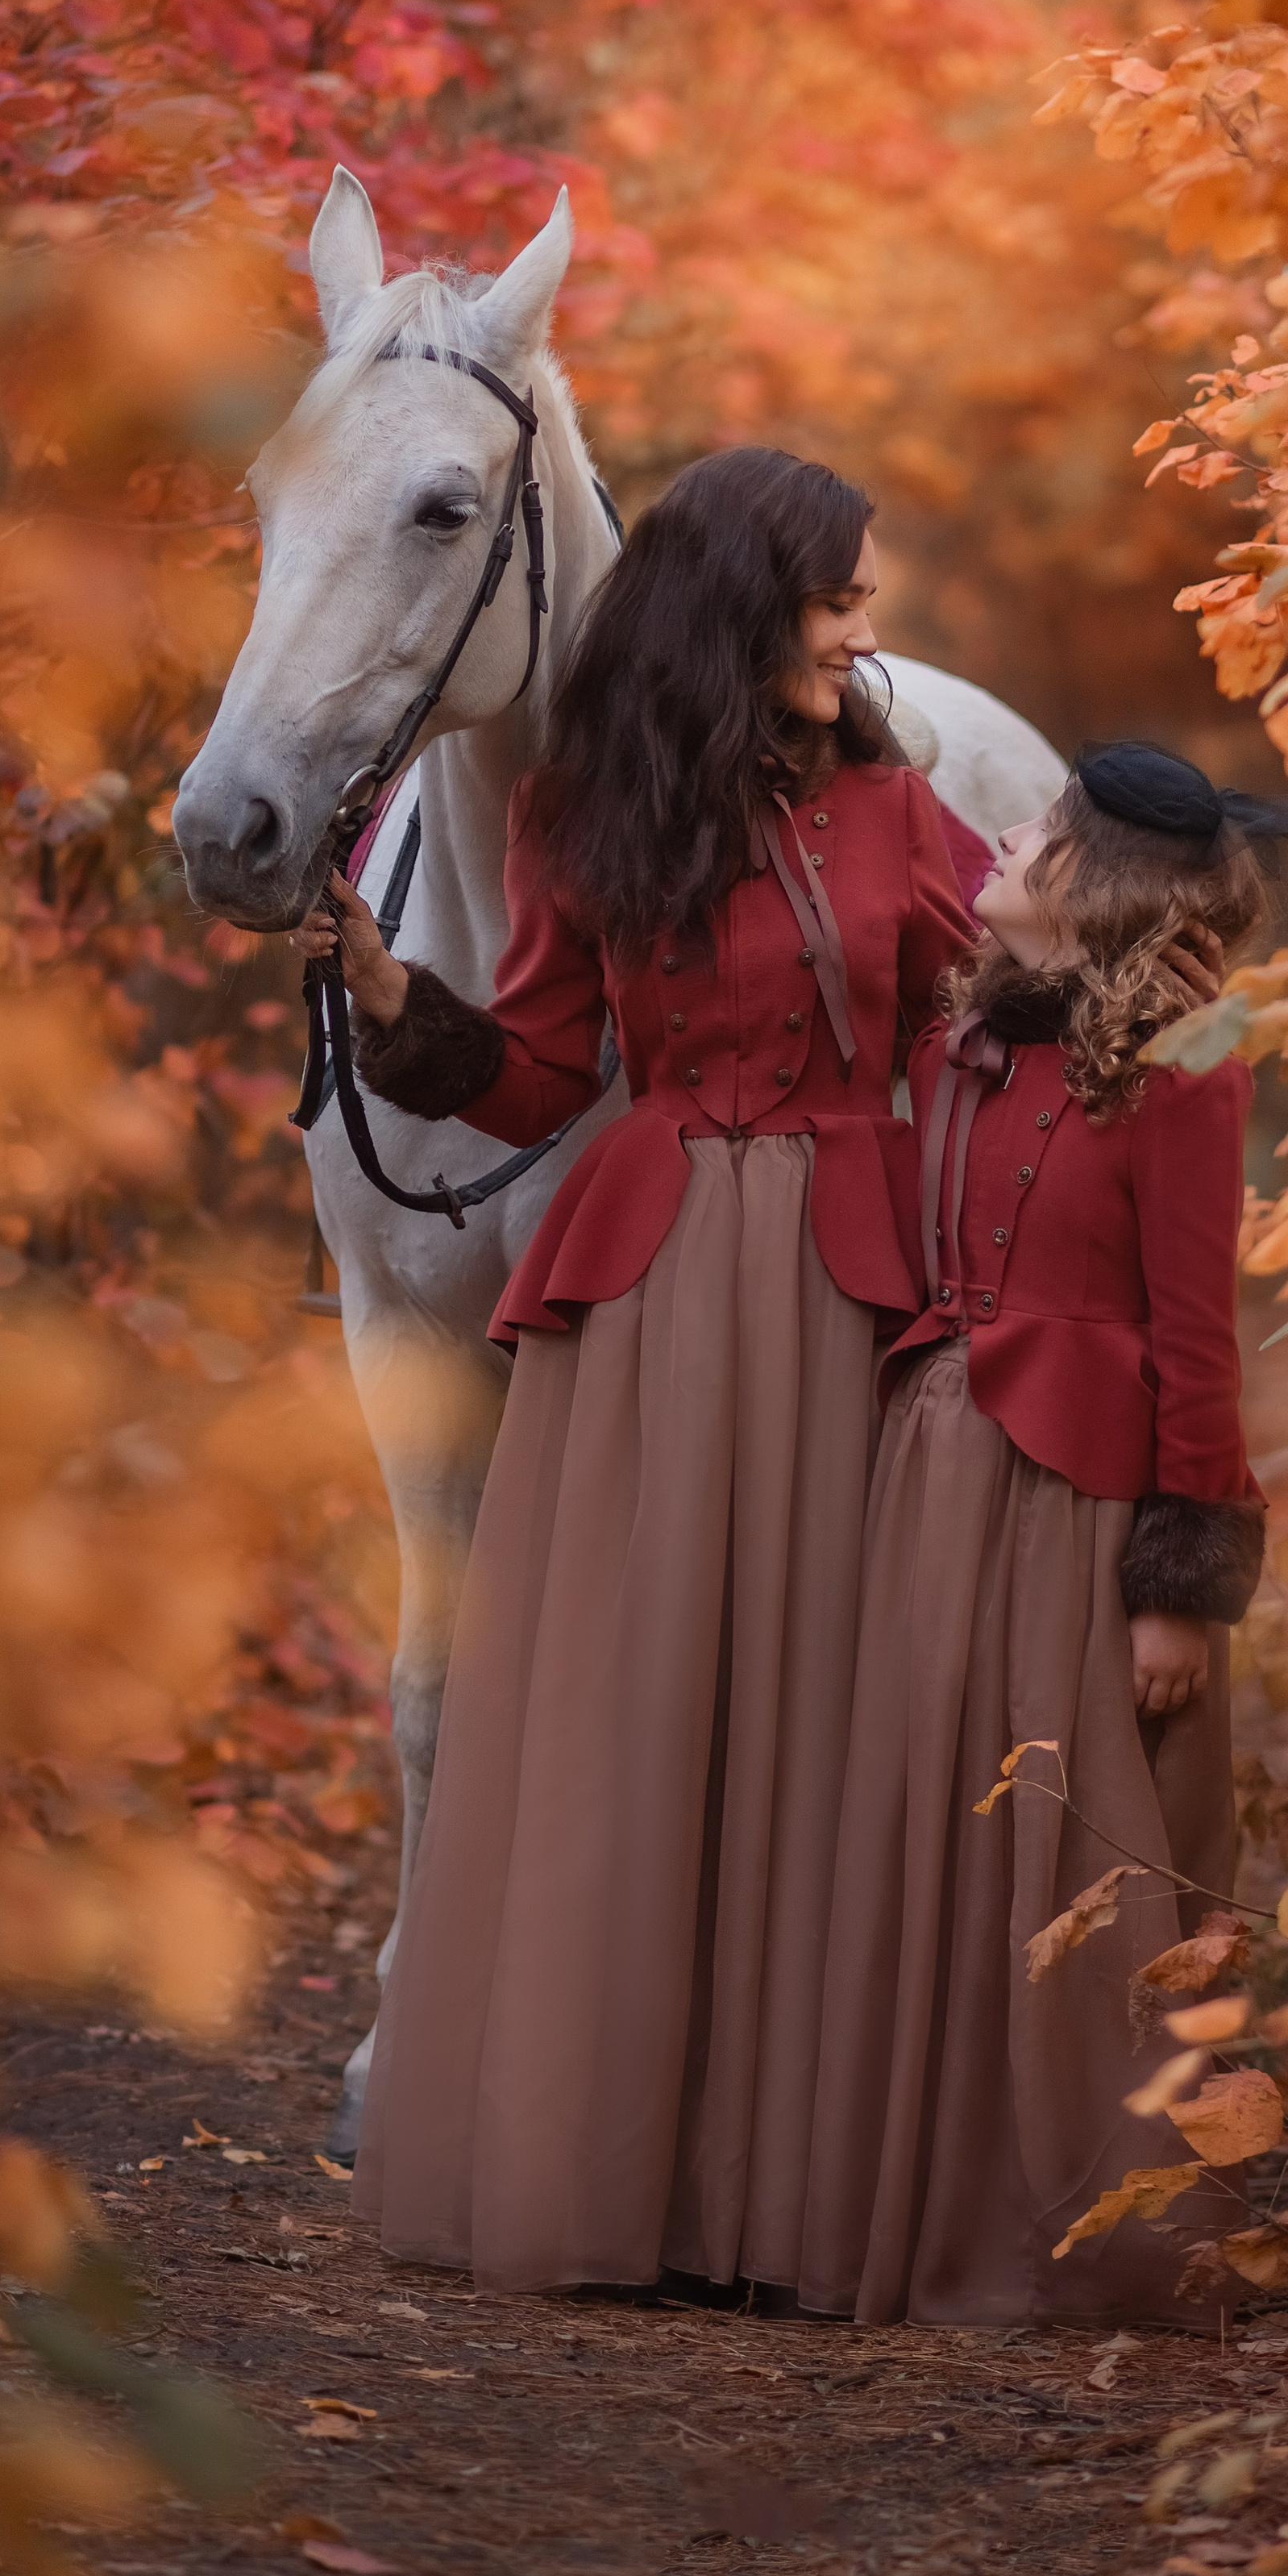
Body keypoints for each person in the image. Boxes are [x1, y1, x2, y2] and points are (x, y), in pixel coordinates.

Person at [291, 445, 978, 2299]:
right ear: (745, 608)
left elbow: (1013, 992)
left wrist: (1165, 943)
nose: (858, 623)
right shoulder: (585, 819)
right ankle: (621, 2173)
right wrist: (392, 1008)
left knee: (817, 1727)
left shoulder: (894, 807)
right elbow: (528, 1069)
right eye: (833, 594)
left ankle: (786, 2197)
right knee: (635, 1718)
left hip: (843, 1293)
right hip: (658, 1298)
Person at [798, 742, 1288, 2327]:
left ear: (1086, 881)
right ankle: (920, 2204)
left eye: (1025, 828)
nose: (995, 834)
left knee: (1077, 1849)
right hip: (933, 1473)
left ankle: (1095, 2234)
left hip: (1077, 1509)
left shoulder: (1181, 1067)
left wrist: (1180, 1586)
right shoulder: (970, 1035)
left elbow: (1196, 1341)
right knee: (932, 1840)